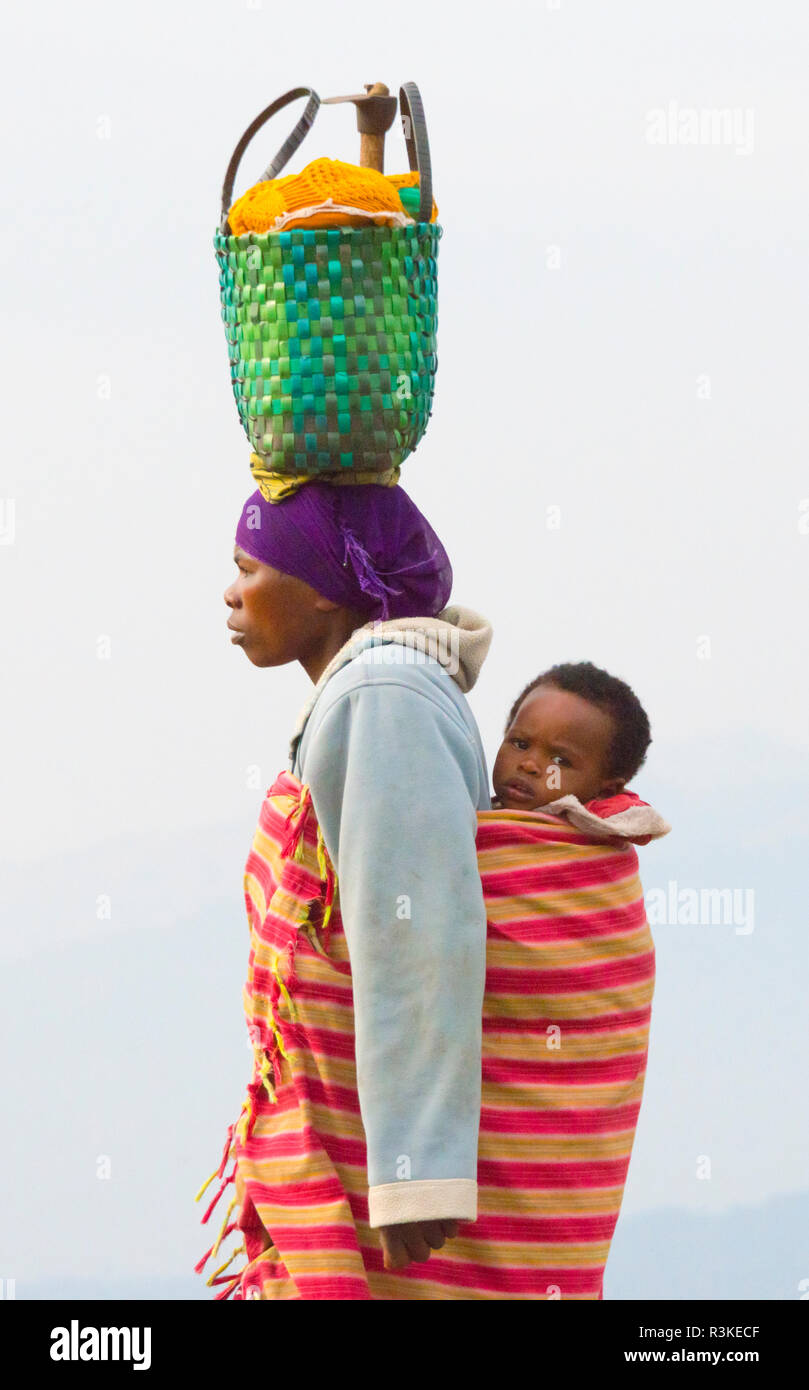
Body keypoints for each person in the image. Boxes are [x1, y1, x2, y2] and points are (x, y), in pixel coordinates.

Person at [194, 476, 495, 1299]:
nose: (231, 590)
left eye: (249, 567)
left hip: (381, 1174)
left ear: (328, 587)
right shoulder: (372, 686)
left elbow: (417, 925)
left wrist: (414, 1169)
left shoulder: (380, 693)